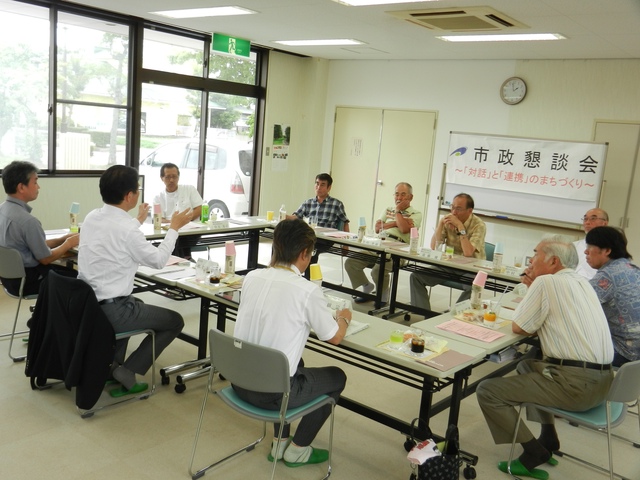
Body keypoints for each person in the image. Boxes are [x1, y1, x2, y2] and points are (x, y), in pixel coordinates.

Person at [476, 236, 614, 480]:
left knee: (488, 390)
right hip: (604, 384)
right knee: (528, 365)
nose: (531, 260)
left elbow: (520, 326)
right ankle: (549, 437)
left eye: (536, 254)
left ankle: (533, 452)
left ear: (553, 261)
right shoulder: (583, 282)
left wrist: (532, 288)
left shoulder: (546, 282)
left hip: (576, 385)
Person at [232, 218, 350, 467]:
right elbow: (335, 337)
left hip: (239, 381)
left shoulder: (252, 277)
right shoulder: (306, 290)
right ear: (305, 254)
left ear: (275, 247)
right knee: (337, 377)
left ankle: (279, 443)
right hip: (272, 393)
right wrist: (344, 318)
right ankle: (298, 449)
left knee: (295, 361)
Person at [78, 165, 192, 397]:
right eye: (137, 189)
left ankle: (112, 367)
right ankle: (128, 371)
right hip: (114, 311)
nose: (138, 193)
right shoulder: (127, 230)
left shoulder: (92, 217)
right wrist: (174, 229)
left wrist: (138, 220)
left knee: (135, 302)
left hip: (88, 305)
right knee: (175, 321)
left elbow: (116, 234)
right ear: (129, 196)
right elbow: (159, 260)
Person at [0, 160, 79, 296]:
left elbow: (30, 246)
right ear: (21, 187)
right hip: (29, 281)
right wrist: (69, 243)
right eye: (35, 182)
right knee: (80, 279)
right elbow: (45, 258)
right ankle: (55, 316)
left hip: (9, 279)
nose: (39, 187)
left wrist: (62, 239)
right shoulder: (28, 221)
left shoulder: (3, 209)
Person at [344, 182, 421, 305]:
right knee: (351, 262)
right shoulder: (387, 209)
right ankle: (366, 286)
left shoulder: (416, 214)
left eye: (403, 195)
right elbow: (377, 228)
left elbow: (404, 230)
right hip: (379, 243)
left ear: (410, 197)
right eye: (396, 194)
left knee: (378, 269)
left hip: (399, 248)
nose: (399, 198)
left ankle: (383, 295)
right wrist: (396, 222)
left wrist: (397, 212)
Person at [409, 193, 486, 313]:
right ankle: (425, 315)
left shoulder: (479, 225)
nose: (454, 212)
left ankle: (454, 316)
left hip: (471, 269)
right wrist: (440, 223)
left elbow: (468, 253)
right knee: (416, 277)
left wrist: (460, 227)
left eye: (458, 209)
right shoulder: (448, 220)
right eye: (452, 207)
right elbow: (434, 246)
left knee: (474, 287)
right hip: (449, 265)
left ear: (469, 211)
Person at [585, 226, 640, 367]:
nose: (586, 251)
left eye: (590, 247)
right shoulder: (632, 269)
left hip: (623, 352)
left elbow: (577, 305)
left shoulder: (608, 275)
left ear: (607, 250)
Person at [153, 163, 203, 259]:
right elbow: (159, 219)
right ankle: (185, 259)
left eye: (174, 177)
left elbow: (199, 209)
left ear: (178, 177)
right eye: (168, 177)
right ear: (162, 178)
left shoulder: (189, 189)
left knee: (176, 238)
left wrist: (183, 220)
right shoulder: (158, 197)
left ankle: (179, 260)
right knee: (174, 235)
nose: (171, 180)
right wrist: (175, 223)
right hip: (169, 232)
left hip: (190, 232)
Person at [574, 208, 608, 279]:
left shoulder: (609, 248)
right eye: (585, 219)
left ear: (604, 223)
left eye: (593, 219)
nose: (587, 222)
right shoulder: (573, 246)